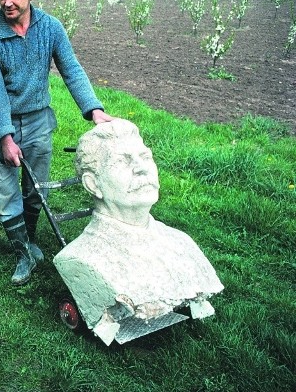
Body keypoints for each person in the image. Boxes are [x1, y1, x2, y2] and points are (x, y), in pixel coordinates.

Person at [0, 0, 113, 285]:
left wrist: (94, 110)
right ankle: (23, 254)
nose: (7, 2)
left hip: (38, 121)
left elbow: (72, 70)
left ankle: (32, 239)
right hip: (2, 122)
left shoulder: (51, 29)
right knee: (4, 190)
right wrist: (5, 137)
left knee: (35, 189)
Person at [53, 119, 223, 345]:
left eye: (145, 157)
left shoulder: (182, 242)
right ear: (93, 184)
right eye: (122, 162)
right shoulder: (81, 258)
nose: (142, 168)